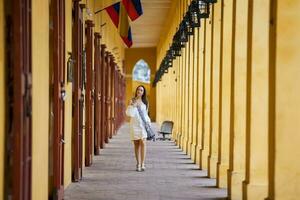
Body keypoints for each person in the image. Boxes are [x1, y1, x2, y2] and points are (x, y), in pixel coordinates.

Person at [126, 85, 151, 172]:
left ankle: (143, 163)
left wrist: (148, 124)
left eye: (141, 90)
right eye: (138, 90)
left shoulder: (146, 102)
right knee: (136, 144)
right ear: (136, 91)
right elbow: (129, 114)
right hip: (134, 125)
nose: (139, 91)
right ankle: (138, 163)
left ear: (143, 92)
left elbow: (146, 115)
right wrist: (132, 106)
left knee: (143, 142)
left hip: (143, 125)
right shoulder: (132, 101)